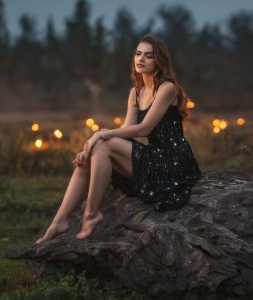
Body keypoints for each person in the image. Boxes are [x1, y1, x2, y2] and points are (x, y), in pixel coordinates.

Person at [35, 35, 201, 244]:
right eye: (138, 54)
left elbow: (145, 128)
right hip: (152, 155)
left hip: (171, 161)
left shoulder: (167, 88)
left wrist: (101, 134)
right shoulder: (135, 92)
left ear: (159, 61)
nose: (141, 59)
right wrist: (92, 146)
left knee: (103, 142)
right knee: (92, 154)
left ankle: (91, 214)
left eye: (149, 56)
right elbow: (129, 130)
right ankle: (59, 221)